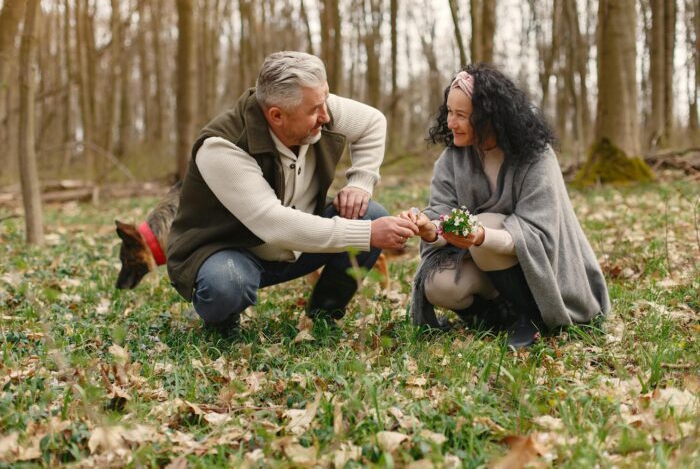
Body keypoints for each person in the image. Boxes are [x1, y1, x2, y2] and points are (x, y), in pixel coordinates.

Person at [167, 51, 418, 334]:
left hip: (299, 246)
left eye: (325, 102)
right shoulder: (222, 146)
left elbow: (373, 122)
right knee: (227, 284)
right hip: (230, 250)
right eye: (315, 111)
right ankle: (222, 322)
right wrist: (368, 234)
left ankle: (323, 315)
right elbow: (273, 223)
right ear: (277, 115)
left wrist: (360, 182)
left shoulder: (313, 104)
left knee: (369, 214)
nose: (326, 116)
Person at [401, 64, 610, 348]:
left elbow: (541, 234)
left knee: (485, 227)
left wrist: (481, 236)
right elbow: (442, 213)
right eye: (449, 112)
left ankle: (531, 318)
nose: (450, 123)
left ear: (488, 117)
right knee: (439, 284)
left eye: (461, 115)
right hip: (485, 262)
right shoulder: (452, 160)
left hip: (543, 269)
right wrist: (428, 230)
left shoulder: (535, 156)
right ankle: (497, 317)